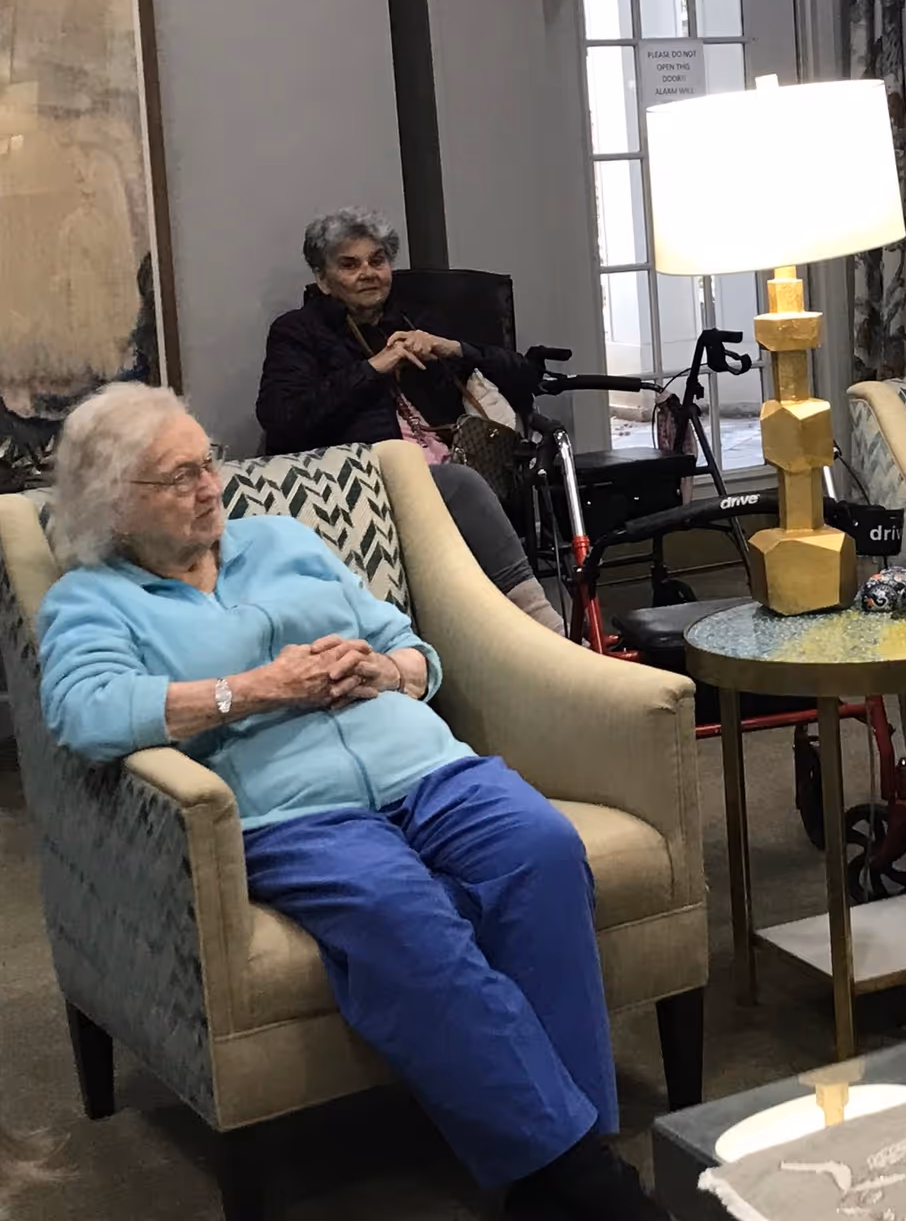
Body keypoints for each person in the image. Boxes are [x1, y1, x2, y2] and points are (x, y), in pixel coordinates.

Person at [36, 384, 662, 1220]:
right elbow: (85, 713)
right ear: (115, 506)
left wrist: (386, 671)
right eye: (178, 476)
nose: (210, 485)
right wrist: (249, 691)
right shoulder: (93, 599)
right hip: (292, 812)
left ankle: (555, 1170)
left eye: (207, 462)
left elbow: (414, 651)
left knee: (542, 850)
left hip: (425, 766)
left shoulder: (282, 542)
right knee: (400, 919)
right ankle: (581, 1180)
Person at [256, 208, 563, 633]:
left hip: (457, 465)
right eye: (349, 264)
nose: (368, 273)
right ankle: (545, 626)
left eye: (377, 260)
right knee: (458, 484)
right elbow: (282, 420)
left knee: (463, 483)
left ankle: (518, 640)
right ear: (323, 279)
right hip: (369, 481)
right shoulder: (297, 332)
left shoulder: (415, 319)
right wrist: (373, 368)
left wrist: (451, 347)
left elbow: (526, 376)